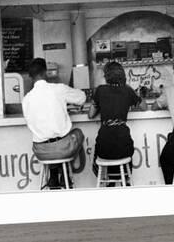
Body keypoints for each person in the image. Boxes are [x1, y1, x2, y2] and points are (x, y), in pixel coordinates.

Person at [22, 58, 86, 189]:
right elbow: (82, 97)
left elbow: (30, 121)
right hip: (63, 148)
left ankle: (54, 174)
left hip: (41, 151)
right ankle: (64, 172)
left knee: (49, 137)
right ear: (45, 72)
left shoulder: (26, 99)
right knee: (77, 133)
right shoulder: (58, 89)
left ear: (30, 76)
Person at [88, 62, 147, 182]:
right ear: (122, 75)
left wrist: (102, 106)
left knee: (104, 147)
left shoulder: (100, 90)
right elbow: (144, 107)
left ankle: (110, 182)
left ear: (106, 76)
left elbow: (90, 115)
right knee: (123, 148)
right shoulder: (127, 90)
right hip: (123, 147)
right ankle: (124, 178)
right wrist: (138, 96)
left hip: (103, 148)